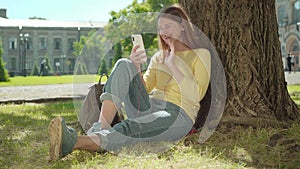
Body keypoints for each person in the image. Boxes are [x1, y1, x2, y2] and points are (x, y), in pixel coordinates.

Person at [48, 4, 211, 160]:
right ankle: (101, 128)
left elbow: (196, 94)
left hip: (178, 114)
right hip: (150, 106)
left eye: (168, 26)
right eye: (160, 28)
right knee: (123, 63)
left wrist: (173, 65)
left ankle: (74, 142)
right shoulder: (158, 57)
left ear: (182, 26)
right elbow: (145, 88)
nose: (163, 32)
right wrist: (136, 67)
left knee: (132, 127)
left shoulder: (200, 54)